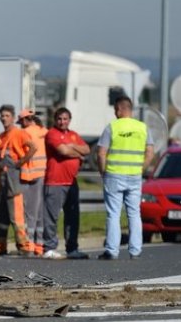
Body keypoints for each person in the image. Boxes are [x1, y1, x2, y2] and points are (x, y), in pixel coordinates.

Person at [96, 96, 154, 260]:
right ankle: (135, 251)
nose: (115, 113)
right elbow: (150, 152)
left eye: (115, 110)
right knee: (134, 213)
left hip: (114, 174)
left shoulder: (112, 127)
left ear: (121, 109)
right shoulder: (142, 127)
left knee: (113, 214)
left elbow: (101, 153)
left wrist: (103, 172)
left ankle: (112, 250)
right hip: (134, 176)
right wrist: (140, 169)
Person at [0, 104, 36, 256]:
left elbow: (33, 147)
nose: (4, 118)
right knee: (1, 217)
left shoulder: (19, 133)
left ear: (13, 118)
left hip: (14, 180)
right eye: (2, 115)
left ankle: (25, 247)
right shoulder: (1, 136)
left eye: (7, 115)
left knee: (17, 216)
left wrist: (21, 162)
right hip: (3, 180)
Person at [41, 107, 90, 259]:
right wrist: (79, 156)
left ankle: (72, 248)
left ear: (69, 120)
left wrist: (73, 146)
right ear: (55, 120)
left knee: (72, 216)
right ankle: (49, 248)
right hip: (55, 182)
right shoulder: (52, 134)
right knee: (51, 216)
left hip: (71, 182)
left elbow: (87, 149)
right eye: (60, 119)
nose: (62, 122)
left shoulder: (73, 135)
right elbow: (63, 151)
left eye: (65, 119)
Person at [17, 108, 48, 256]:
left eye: (21, 121)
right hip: (43, 173)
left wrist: (19, 163)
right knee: (40, 211)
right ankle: (39, 245)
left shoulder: (24, 133)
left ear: (25, 120)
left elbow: (30, 150)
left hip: (30, 175)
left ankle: (29, 244)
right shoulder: (43, 130)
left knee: (30, 212)